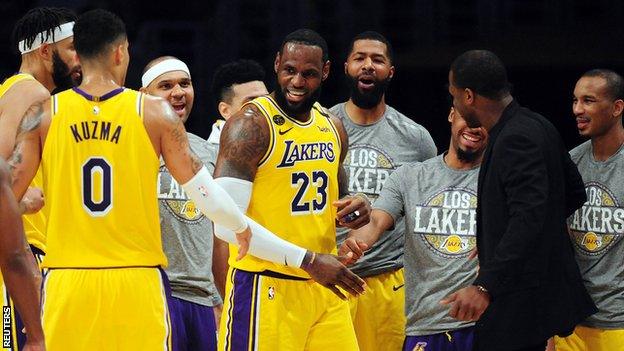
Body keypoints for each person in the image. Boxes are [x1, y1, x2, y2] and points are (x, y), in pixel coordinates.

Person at [9, 11, 366, 350]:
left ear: (79, 56)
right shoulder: (151, 112)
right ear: (121, 52)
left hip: (68, 278)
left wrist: (25, 218)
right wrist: (237, 225)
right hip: (137, 278)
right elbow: (203, 189)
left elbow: (6, 198)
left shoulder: (43, 115)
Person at [214, 28, 370, 350]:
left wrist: (354, 211)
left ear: (325, 72)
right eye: (290, 70)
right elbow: (226, 225)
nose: (297, 82)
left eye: (309, 74)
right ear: (276, 65)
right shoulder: (250, 125)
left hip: (324, 287)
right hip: (266, 287)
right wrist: (308, 259)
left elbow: (332, 208)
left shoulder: (332, 127)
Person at [443, 49, 597, 351]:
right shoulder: (538, 124)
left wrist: (484, 284)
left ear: (469, 96)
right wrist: (502, 233)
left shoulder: (515, 138)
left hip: (521, 300)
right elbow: (574, 193)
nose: (455, 102)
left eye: (455, 95)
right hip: (533, 295)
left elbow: (529, 217)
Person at [340, 107, 486, 351]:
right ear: (451, 114)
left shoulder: (500, 181)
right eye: (467, 118)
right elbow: (377, 220)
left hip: (482, 326)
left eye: (481, 121)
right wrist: (355, 243)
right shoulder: (409, 176)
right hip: (424, 325)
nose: (473, 127)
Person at [331, 30, 437, 351]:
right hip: (329, 276)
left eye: (377, 60)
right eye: (359, 58)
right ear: (345, 66)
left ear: (390, 72)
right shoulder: (321, 126)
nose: (367, 65)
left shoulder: (416, 138)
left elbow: (430, 211)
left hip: (389, 282)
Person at [0, 7, 80, 350]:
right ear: (46, 51)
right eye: (73, 47)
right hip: (20, 256)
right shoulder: (31, 94)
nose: (80, 58)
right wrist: (19, 201)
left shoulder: (17, 91)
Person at [141, 56, 221, 351]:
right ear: (143, 95)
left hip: (202, 298)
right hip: (154, 292)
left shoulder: (208, 150)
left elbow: (217, 233)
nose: (178, 92)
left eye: (184, 84)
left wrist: (220, 297)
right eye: (166, 85)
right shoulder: (130, 147)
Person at [553, 69, 624, 351]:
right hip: (572, 324)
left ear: (617, 107)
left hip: (618, 323)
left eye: (589, 101)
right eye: (575, 100)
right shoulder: (570, 163)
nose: (577, 110)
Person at [207, 59, 269, 298]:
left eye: (266, 101)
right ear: (225, 110)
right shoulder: (208, 158)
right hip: (236, 283)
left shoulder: (274, 149)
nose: (262, 110)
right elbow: (219, 237)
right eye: (251, 104)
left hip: (274, 276)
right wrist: (225, 295)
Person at [207, 59, 268, 145]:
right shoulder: (207, 156)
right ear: (225, 111)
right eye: (252, 102)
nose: (263, 108)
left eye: (266, 100)